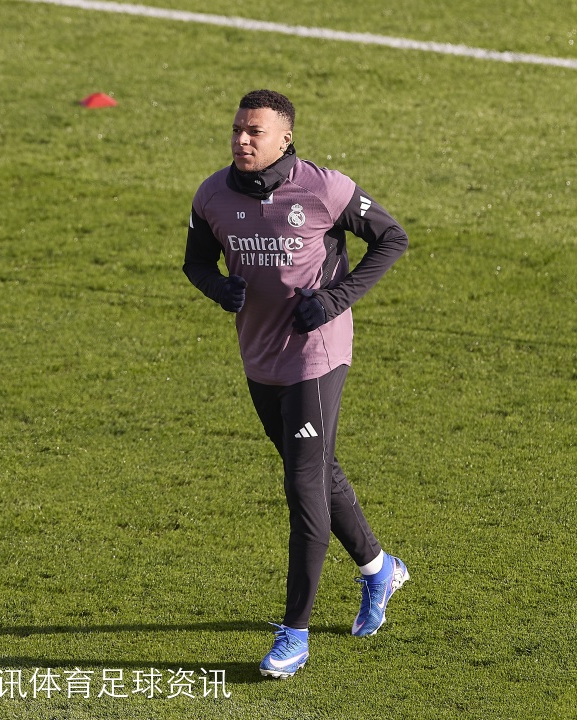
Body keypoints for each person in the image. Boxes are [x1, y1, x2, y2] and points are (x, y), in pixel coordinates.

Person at [184, 89, 411, 678]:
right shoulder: (212, 195)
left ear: (285, 138)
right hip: (260, 359)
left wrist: (335, 299)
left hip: (317, 357)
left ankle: (294, 635)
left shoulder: (324, 189)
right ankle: (380, 569)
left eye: (255, 131)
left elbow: (392, 238)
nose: (242, 139)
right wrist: (219, 288)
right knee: (316, 468)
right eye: (237, 129)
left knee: (303, 487)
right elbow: (196, 262)